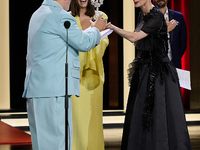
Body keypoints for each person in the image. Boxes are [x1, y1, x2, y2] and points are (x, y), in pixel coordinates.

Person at [22, 0, 108, 149]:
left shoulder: (37, 14)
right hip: (54, 91)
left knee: (42, 144)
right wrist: (96, 30)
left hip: (35, 90)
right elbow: (84, 43)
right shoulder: (61, 17)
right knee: (57, 144)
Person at [107, 0, 191, 149]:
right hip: (144, 69)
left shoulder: (156, 16)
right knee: (141, 112)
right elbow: (141, 41)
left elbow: (134, 37)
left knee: (159, 112)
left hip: (158, 73)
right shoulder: (142, 15)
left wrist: (112, 27)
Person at [70, 0, 109, 150]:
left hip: (94, 77)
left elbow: (104, 44)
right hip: (74, 76)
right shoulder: (68, 18)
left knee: (92, 122)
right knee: (75, 121)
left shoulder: (100, 16)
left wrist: (92, 39)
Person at [154, 0, 187, 69]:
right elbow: (143, 42)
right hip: (154, 67)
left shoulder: (178, 17)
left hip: (174, 66)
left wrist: (175, 57)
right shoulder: (146, 17)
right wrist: (164, 30)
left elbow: (183, 43)